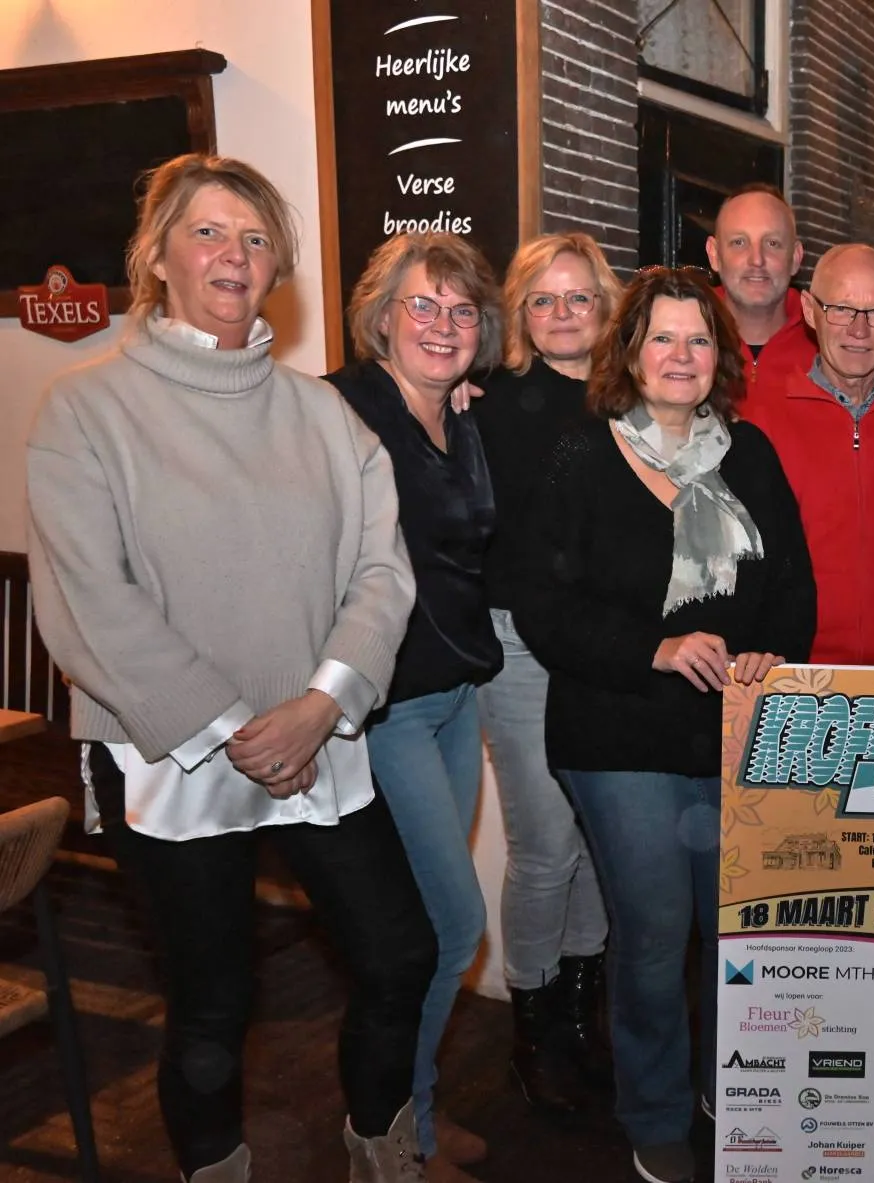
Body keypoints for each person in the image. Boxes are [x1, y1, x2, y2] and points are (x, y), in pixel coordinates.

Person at [25, 154, 433, 1182]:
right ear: (157, 257)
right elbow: (88, 597)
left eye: (254, 239)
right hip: (171, 749)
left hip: (318, 734)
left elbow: (383, 569)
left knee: (401, 953)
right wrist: (234, 727)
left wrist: (320, 704)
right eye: (206, 232)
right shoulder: (86, 408)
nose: (233, 256)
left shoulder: (323, 413)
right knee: (213, 1003)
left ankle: (380, 1151)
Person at [512, 267, 816, 1183]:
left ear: (720, 356)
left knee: (733, 931)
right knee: (651, 927)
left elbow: (793, 586)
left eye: (699, 339)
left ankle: (730, 1083)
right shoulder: (580, 454)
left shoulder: (749, 454)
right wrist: (656, 647)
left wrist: (768, 652)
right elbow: (544, 607)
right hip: (617, 731)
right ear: (631, 353)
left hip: (728, 732)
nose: (682, 355)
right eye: (663, 338)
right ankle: (652, 1110)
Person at [326, 232, 505, 1182]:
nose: (443, 324)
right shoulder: (341, 410)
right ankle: (392, 1132)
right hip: (385, 708)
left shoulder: (462, 416)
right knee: (448, 924)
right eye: (422, 305)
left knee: (427, 933)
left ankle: (414, 1115)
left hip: (454, 697)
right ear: (381, 316)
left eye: (462, 309)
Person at [475, 232, 621, 1112]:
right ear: (519, 314)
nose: (563, 313)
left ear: (606, 309)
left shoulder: (632, 399)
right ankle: (533, 1032)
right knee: (546, 846)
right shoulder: (484, 403)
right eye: (543, 299)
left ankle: (579, 1018)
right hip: (520, 644)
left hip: (605, 645)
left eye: (579, 297)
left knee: (599, 836)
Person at [739, 242, 874, 665]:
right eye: (841, 309)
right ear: (809, 310)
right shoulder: (756, 418)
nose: (859, 330)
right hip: (793, 670)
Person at [704, 182, 817, 391]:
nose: (757, 260)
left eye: (772, 243)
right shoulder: (679, 346)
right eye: (739, 242)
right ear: (714, 254)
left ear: (795, 257)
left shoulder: (830, 347)